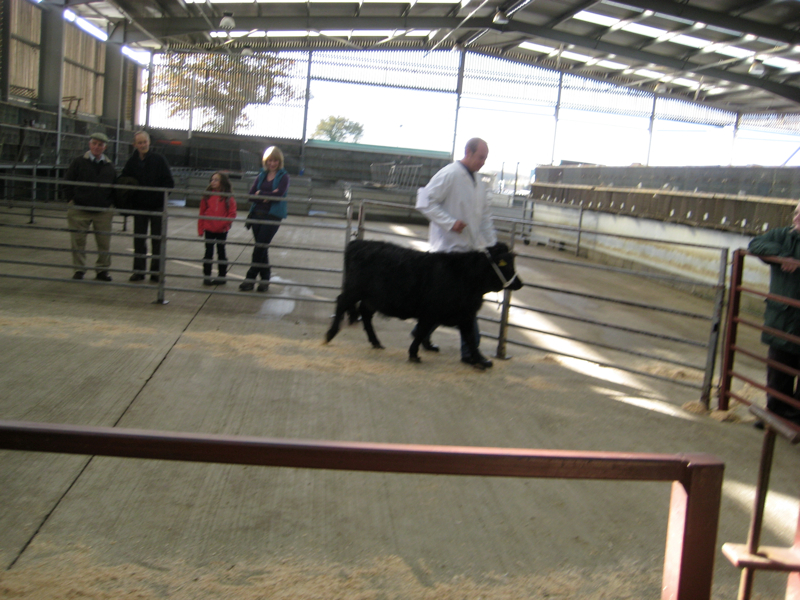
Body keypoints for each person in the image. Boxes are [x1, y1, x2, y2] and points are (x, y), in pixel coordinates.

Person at [414, 137, 497, 368]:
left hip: (468, 252)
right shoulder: (449, 174)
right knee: (466, 305)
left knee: (449, 302)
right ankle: (471, 351)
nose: (482, 162)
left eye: (485, 158)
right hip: (447, 251)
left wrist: (491, 244)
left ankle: (421, 332)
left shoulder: (479, 182)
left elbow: (485, 216)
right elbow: (425, 201)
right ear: (468, 152)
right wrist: (450, 223)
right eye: (480, 157)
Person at [748, 200, 800, 428]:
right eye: (797, 213)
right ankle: (776, 414)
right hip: (783, 318)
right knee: (779, 368)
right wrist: (782, 256)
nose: (797, 218)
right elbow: (756, 244)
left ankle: (795, 418)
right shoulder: (783, 236)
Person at [63, 132, 117, 282]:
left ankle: (102, 270)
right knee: (78, 240)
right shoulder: (78, 162)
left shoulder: (109, 166)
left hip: (103, 211)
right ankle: (79, 269)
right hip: (80, 209)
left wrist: (110, 203)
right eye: (94, 143)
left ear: (105, 147)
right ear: (89, 144)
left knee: (104, 242)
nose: (97, 147)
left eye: (100, 145)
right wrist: (71, 201)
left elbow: (114, 186)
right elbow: (68, 181)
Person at [122, 130, 174, 283]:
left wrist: (158, 198)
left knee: (157, 240)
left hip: (157, 207)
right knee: (139, 239)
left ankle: (156, 272)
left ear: (149, 142)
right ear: (135, 145)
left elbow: (169, 182)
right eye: (139, 143)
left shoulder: (159, 160)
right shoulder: (131, 162)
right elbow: (124, 179)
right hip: (139, 207)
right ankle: (138, 271)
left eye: (144, 142)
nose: (143, 145)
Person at [240, 146, 289, 292]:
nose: (272, 163)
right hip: (257, 215)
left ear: (279, 161)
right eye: (269, 160)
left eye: (275, 160)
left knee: (259, 247)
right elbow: (251, 195)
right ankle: (265, 280)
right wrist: (267, 194)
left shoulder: (284, 177)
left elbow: (278, 195)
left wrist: (261, 193)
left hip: (272, 216)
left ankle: (250, 278)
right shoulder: (261, 175)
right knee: (262, 248)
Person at [198, 172, 237, 286]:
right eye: (212, 180)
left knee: (221, 252)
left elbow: (232, 213)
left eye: (216, 180)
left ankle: (222, 276)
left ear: (222, 182)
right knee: (208, 253)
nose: (212, 182)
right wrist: (201, 228)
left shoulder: (228, 197)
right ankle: (207, 276)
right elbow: (202, 213)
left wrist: (222, 224)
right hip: (209, 229)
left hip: (222, 230)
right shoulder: (207, 196)